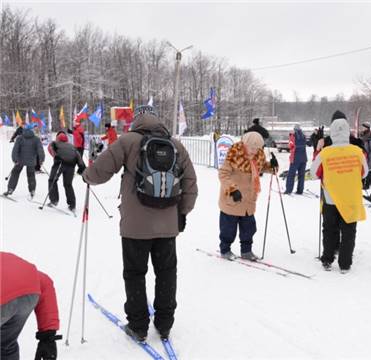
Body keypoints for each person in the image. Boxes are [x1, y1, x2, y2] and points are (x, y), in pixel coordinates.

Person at [83, 106, 198, 341]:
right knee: (166, 272)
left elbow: (100, 172)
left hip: (135, 225)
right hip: (167, 225)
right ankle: (165, 323)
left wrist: (86, 175)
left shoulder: (128, 141)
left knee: (135, 273)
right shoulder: (175, 145)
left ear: (136, 121)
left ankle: (138, 325)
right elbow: (191, 183)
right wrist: (182, 213)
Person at [311, 117, 368, 273]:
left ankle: (327, 259)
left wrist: (318, 150)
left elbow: (314, 174)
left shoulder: (325, 153)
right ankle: (345, 264)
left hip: (330, 198)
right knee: (349, 231)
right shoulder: (357, 152)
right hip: (351, 198)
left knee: (329, 229)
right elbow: (365, 173)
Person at [218, 131, 278, 260]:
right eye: (251, 148)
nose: (253, 151)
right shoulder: (233, 155)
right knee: (228, 229)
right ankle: (225, 250)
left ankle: (246, 251)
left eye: (257, 149)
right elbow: (223, 174)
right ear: (244, 144)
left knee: (249, 229)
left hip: (248, 201)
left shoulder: (258, 157)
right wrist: (232, 189)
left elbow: (261, 167)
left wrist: (272, 166)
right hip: (233, 199)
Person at [1, 251, 61, 360]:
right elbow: (46, 283)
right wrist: (48, 337)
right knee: (6, 344)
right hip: (30, 291)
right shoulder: (8, 260)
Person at [47, 131, 86, 211]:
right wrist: (82, 168)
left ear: (58, 138)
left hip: (59, 164)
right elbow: (79, 158)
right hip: (71, 166)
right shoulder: (72, 146)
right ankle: (72, 205)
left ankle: (54, 200)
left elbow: (50, 149)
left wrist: (55, 156)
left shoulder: (55, 143)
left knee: (52, 180)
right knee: (68, 184)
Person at [3, 124, 45, 199]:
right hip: (31, 161)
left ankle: (10, 189)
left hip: (20, 160)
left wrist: (15, 159)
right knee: (31, 175)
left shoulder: (20, 138)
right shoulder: (36, 139)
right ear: (32, 130)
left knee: (15, 173)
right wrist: (41, 160)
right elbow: (40, 150)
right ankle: (32, 190)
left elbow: (15, 150)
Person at [284, 125, 307, 195]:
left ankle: (288, 190)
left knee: (291, 175)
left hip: (295, 158)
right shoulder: (304, 136)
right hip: (303, 158)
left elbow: (290, 146)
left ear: (294, 129)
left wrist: (290, 136)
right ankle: (300, 190)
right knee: (301, 175)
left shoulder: (293, 136)